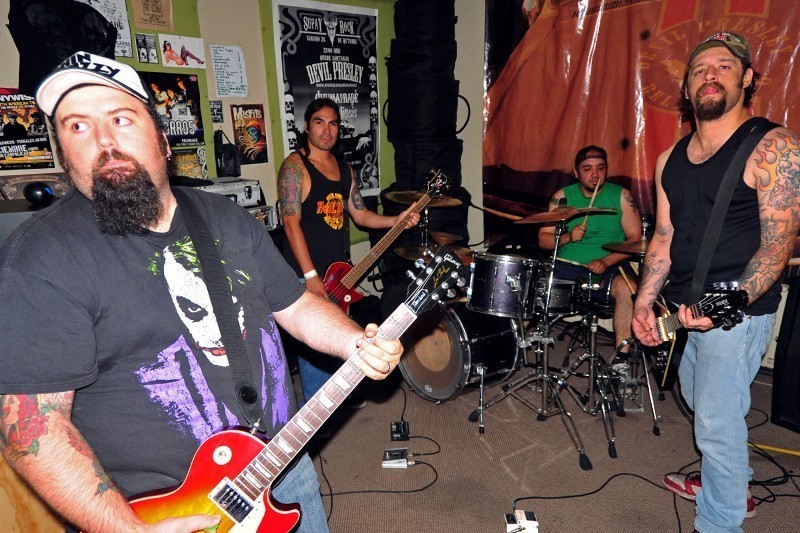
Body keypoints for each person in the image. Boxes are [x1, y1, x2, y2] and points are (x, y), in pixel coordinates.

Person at [0, 51, 404, 533]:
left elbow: (295, 306)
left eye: (121, 119)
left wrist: (355, 342)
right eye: (78, 126)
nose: (104, 141)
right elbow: (34, 429)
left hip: (282, 460)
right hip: (157, 510)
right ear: (63, 152)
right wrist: (126, 529)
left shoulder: (225, 218)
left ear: (163, 139)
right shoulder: (41, 258)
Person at [632, 32, 800, 533]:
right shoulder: (669, 159)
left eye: (724, 66)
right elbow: (663, 237)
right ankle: (733, 486)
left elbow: (778, 247)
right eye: (699, 68)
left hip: (736, 314)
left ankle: (720, 522)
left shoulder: (774, 147)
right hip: (683, 310)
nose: (710, 75)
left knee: (715, 423)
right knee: (695, 395)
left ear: (746, 78)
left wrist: (732, 301)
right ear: (686, 87)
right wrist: (643, 302)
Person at [277, 97, 419, 407]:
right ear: (306, 126)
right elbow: (290, 224)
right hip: (305, 275)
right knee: (314, 351)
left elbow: (361, 215)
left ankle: (337, 401)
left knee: (337, 341)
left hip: (338, 274)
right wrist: (310, 276)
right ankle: (318, 416)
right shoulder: (294, 167)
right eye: (319, 122)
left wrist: (397, 220)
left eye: (333, 123)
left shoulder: (344, 169)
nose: (327, 130)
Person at [538, 145, 642, 358]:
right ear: (576, 172)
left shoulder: (622, 196)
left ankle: (622, 357)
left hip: (609, 267)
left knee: (627, 288)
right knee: (532, 286)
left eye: (600, 168)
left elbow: (635, 240)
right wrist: (568, 237)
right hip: (567, 266)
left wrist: (606, 261)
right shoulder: (562, 197)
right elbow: (543, 240)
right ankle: (515, 348)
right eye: (587, 169)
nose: (595, 174)